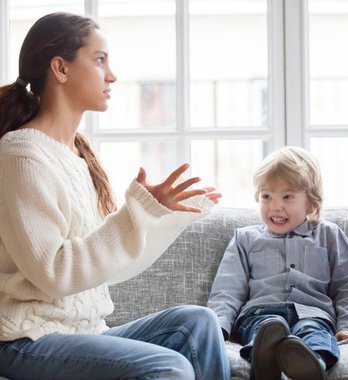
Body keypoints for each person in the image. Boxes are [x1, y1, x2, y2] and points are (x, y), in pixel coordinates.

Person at [0, 12, 230, 380]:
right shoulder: (21, 157)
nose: (112, 75)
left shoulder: (77, 156)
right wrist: (134, 215)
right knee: (169, 366)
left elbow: (109, 268)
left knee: (198, 323)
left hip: (83, 332)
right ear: (60, 68)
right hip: (25, 340)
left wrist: (162, 217)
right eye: (100, 60)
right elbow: (55, 274)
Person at [207, 146, 348, 380]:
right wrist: (219, 327)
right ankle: (265, 361)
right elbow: (227, 289)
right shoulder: (245, 239)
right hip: (260, 313)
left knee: (313, 331)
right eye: (266, 196)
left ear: (311, 203)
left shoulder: (329, 235)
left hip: (313, 313)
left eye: (287, 197)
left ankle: (314, 363)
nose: (275, 206)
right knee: (268, 327)